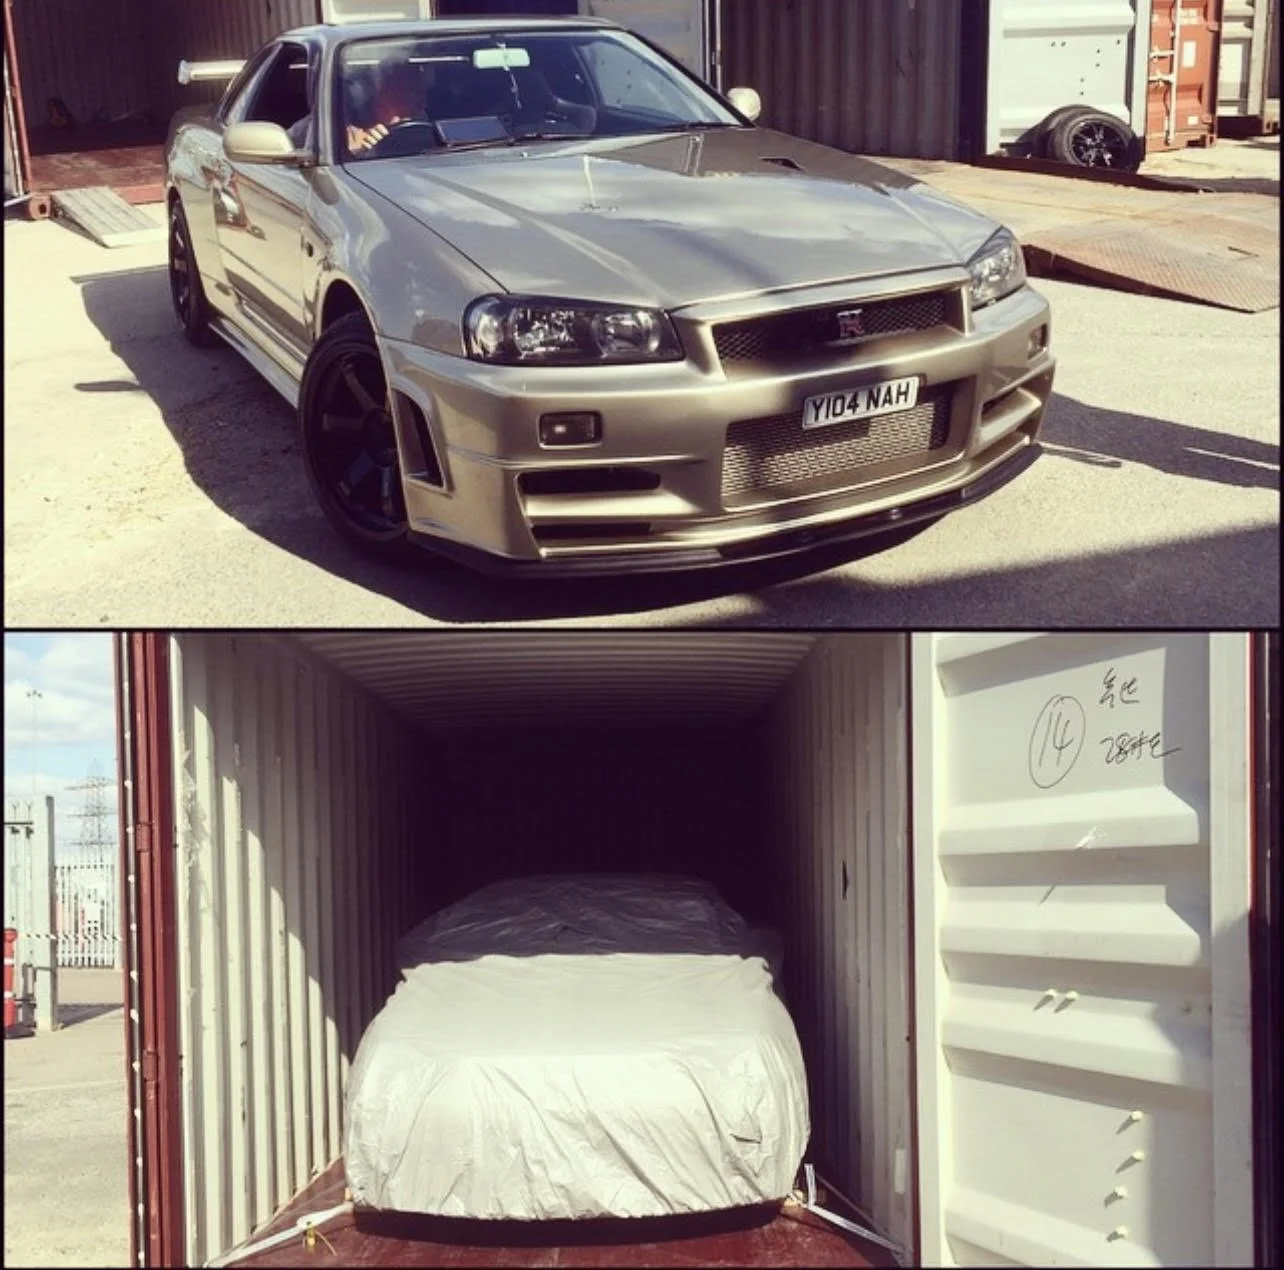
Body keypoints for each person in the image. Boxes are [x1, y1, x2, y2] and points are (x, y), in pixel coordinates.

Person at [346, 59, 425, 155]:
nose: (420, 99)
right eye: (399, 88)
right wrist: (360, 151)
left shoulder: (425, 121)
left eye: (417, 90)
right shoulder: (353, 131)